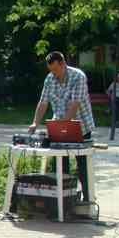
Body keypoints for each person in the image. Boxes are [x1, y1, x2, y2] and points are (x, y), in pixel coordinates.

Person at [28, 51, 95, 199]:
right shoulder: (49, 79)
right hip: (58, 126)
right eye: (51, 70)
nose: (54, 73)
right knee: (59, 163)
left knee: (82, 165)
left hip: (81, 126)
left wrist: (63, 125)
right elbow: (43, 102)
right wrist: (35, 123)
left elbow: (74, 105)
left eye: (56, 70)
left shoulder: (78, 77)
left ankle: (88, 199)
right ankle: (64, 198)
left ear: (63, 64)